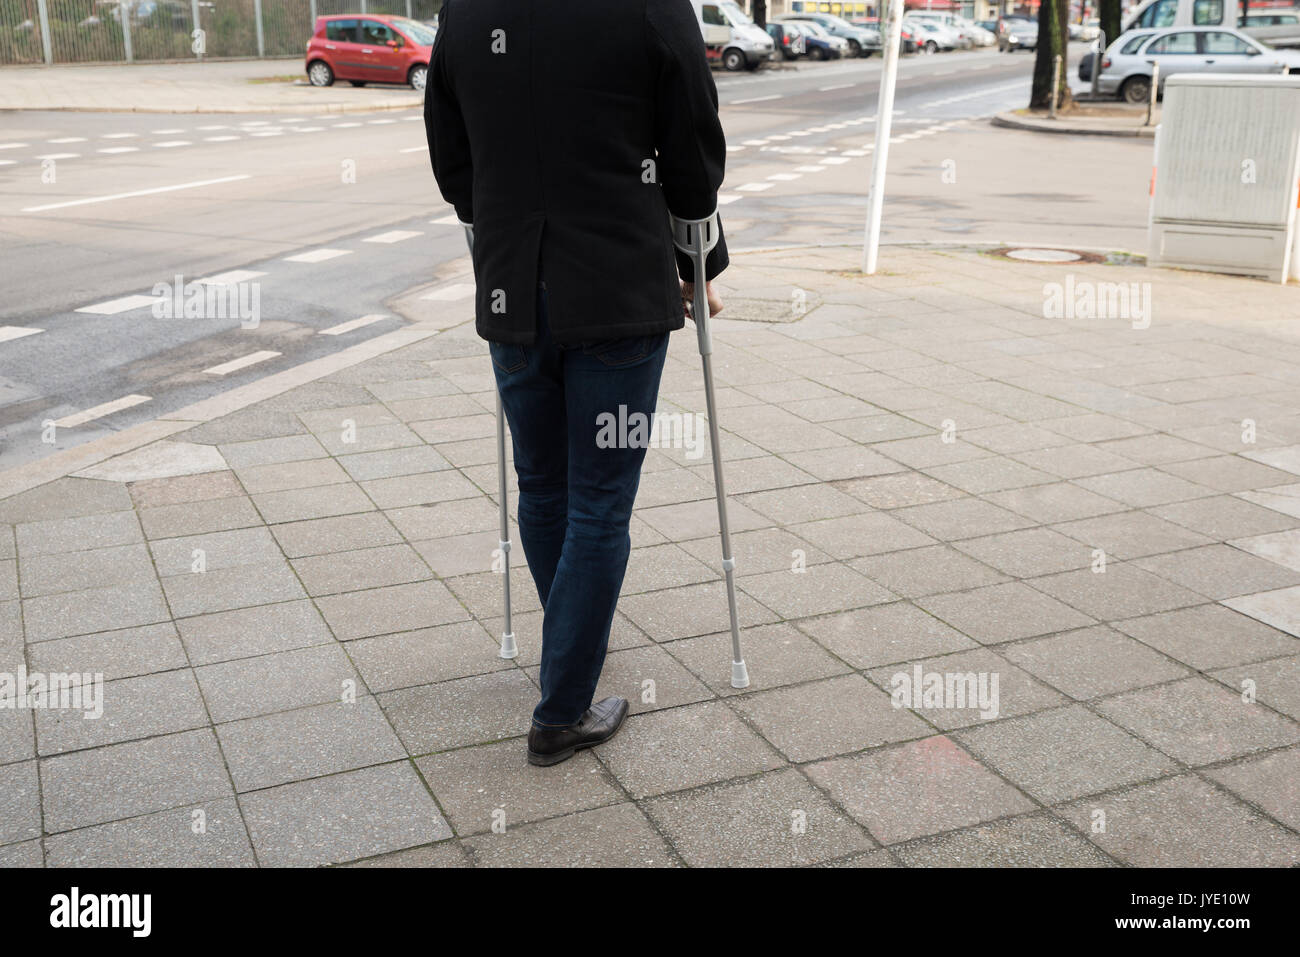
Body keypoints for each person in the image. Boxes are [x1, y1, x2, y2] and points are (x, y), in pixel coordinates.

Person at [425, 0, 729, 766]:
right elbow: (691, 144)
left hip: (512, 288)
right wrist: (703, 263)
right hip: (617, 287)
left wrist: (494, 220)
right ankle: (562, 710)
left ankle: (571, 632)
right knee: (599, 500)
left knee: (543, 484)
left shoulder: (467, 10)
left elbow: (449, 148)